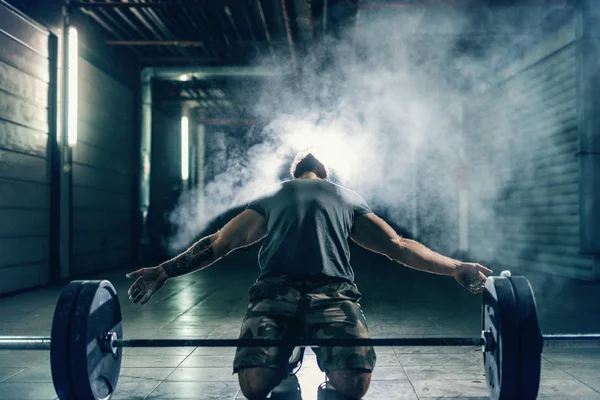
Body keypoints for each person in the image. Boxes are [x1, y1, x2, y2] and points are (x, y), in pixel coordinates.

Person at [127, 151, 492, 400]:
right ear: (323, 173)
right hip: (286, 295)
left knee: (256, 388)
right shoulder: (323, 195)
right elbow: (397, 246)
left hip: (323, 296)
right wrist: (455, 267)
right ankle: (290, 365)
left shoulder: (310, 195)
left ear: (295, 172)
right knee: (351, 385)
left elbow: (219, 243)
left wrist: (164, 271)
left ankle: (295, 366)